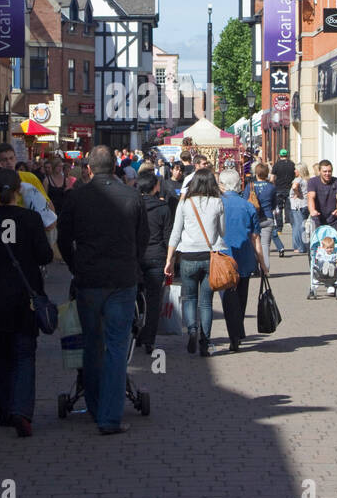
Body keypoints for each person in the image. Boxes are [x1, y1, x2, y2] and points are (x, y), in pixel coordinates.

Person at [58, 146, 147, 434]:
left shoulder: (76, 197)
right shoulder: (133, 196)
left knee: (92, 346)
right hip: (122, 279)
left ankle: (96, 408)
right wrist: (132, 263)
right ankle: (110, 416)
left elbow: (63, 239)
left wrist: (75, 265)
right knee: (117, 347)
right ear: (114, 167)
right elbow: (142, 238)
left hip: (88, 279)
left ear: (89, 168)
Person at [0, 168, 53, 437]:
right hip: (25, 294)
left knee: (2, 354)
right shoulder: (30, 219)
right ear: (20, 191)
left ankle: (5, 409)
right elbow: (44, 255)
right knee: (24, 353)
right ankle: (22, 410)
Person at [165, 168, 225, 357]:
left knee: (190, 298)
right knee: (206, 303)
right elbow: (223, 231)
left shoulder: (185, 204)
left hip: (188, 255)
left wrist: (169, 260)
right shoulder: (217, 203)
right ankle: (205, 342)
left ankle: (191, 330)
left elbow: (175, 233)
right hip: (210, 257)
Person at [219, 168, 267, 353]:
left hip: (224, 257)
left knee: (227, 297)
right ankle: (237, 331)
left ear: (222, 185)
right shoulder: (248, 206)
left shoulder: (218, 204)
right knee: (241, 295)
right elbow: (256, 237)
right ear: (238, 185)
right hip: (245, 256)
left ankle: (234, 334)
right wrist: (262, 262)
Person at [134, 169, 173, 355]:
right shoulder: (163, 209)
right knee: (154, 300)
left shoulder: (132, 205)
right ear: (155, 187)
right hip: (156, 256)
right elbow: (167, 237)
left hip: (135, 257)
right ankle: (149, 338)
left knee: (132, 295)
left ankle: (134, 330)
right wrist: (170, 260)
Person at [0, 143, 56, 233]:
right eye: (4, 160)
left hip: (31, 231)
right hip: (8, 232)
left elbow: (47, 203)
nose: (9, 162)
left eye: (11, 158)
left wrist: (44, 227)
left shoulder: (30, 177)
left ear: (15, 158)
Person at [245, 163, 287, 261]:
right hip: (267, 217)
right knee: (265, 245)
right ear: (267, 173)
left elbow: (245, 202)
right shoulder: (271, 187)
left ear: (256, 173)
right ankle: (266, 268)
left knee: (253, 243)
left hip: (253, 218)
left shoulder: (250, 186)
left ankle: (255, 268)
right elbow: (274, 204)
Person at [307, 159, 337, 231]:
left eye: (329, 171)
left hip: (333, 218)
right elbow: (311, 197)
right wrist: (312, 210)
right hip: (317, 217)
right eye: (325, 171)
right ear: (319, 171)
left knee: (334, 241)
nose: (327, 173)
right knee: (317, 241)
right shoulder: (312, 182)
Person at [271, 148, 296, 233]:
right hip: (289, 189)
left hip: (279, 189)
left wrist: (274, 184)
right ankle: (290, 223)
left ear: (279, 155)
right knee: (289, 208)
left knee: (279, 208)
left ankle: (279, 228)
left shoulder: (276, 165)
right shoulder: (292, 164)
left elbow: (272, 178)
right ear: (287, 155)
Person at [289, 164, 311, 254]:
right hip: (305, 204)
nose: (294, 171)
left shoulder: (298, 179)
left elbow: (294, 186)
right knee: (301, 225)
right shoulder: (307, 180)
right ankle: (301, 245)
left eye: (296, 170)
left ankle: (300, 247)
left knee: (298, 226)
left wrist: (297, 193)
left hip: (297, 206)